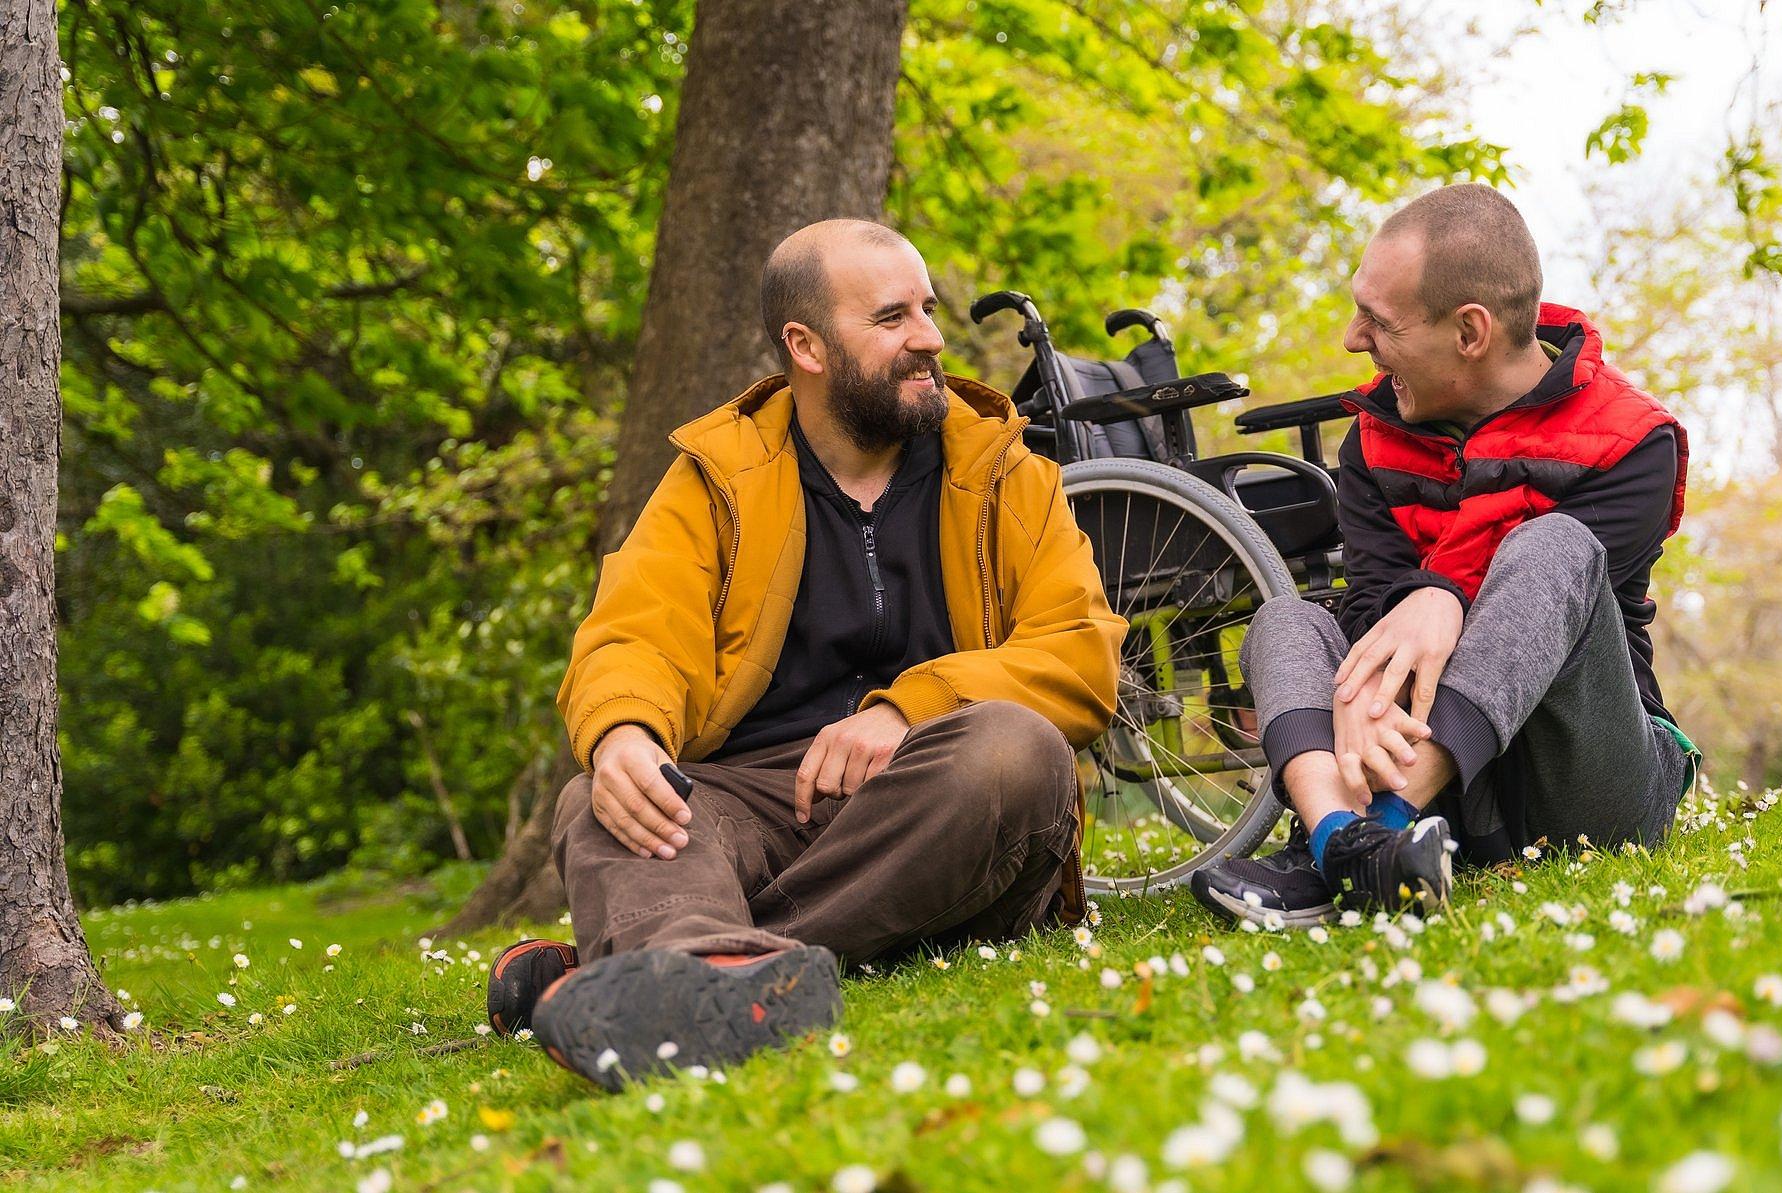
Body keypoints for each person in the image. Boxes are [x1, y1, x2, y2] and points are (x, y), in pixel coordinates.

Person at [485, 220, 1124, 1090]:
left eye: (927, 310)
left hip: (932, 797)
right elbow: (634, 629)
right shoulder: (716, 473)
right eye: (893, 317)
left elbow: (1080, 656)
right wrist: (626, 734)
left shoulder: (1008, 471)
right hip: (753, 799)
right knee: (607, 793)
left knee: (1017, 750)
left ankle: (679, 955)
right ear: (806, 345)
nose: (931, 339)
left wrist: (910, 707)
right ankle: (704, 969)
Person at [1190, 184, 1697, 928]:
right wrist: (1414, 602)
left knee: (1552, 545)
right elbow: (1371, 614)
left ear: (1469, 332)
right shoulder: (1371, 436)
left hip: (1586, 787)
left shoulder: (1633, 442)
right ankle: (1343, 837)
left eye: (1378, 320)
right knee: (1287, 620)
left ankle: (1367, 837)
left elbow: (1536, 604)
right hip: (1455, 795)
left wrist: (1437, 597)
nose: (1351, 339)